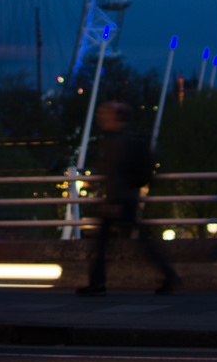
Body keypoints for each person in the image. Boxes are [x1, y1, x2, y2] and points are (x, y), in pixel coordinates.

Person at [76, 101, 180, 296]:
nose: (102, 118)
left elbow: (117, 173)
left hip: (119, 200)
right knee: (137, 239)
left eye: (106, 114)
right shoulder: (127, 139)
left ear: (116, 117)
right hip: (124, 198)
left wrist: (114, 201)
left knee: (115, 242)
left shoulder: (119, 141)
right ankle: (168, 275)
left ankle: (98, 283)